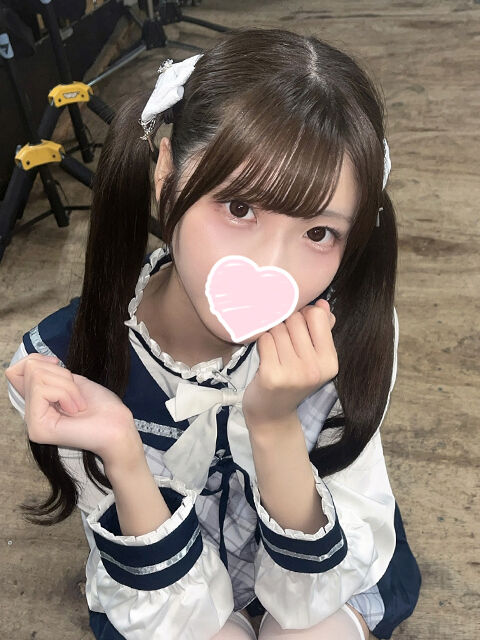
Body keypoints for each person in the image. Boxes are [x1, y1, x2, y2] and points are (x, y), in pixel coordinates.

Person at [5, 27, 421, 640]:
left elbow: (307, 602)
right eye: (239, 208)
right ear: (166, 173)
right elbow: (182, 616)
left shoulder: (344, 334)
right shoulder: (68, 362)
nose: (272, 270)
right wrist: (122, 452)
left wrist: (274, 423)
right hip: (163, 577)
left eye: (318, 233)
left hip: (318, 559)